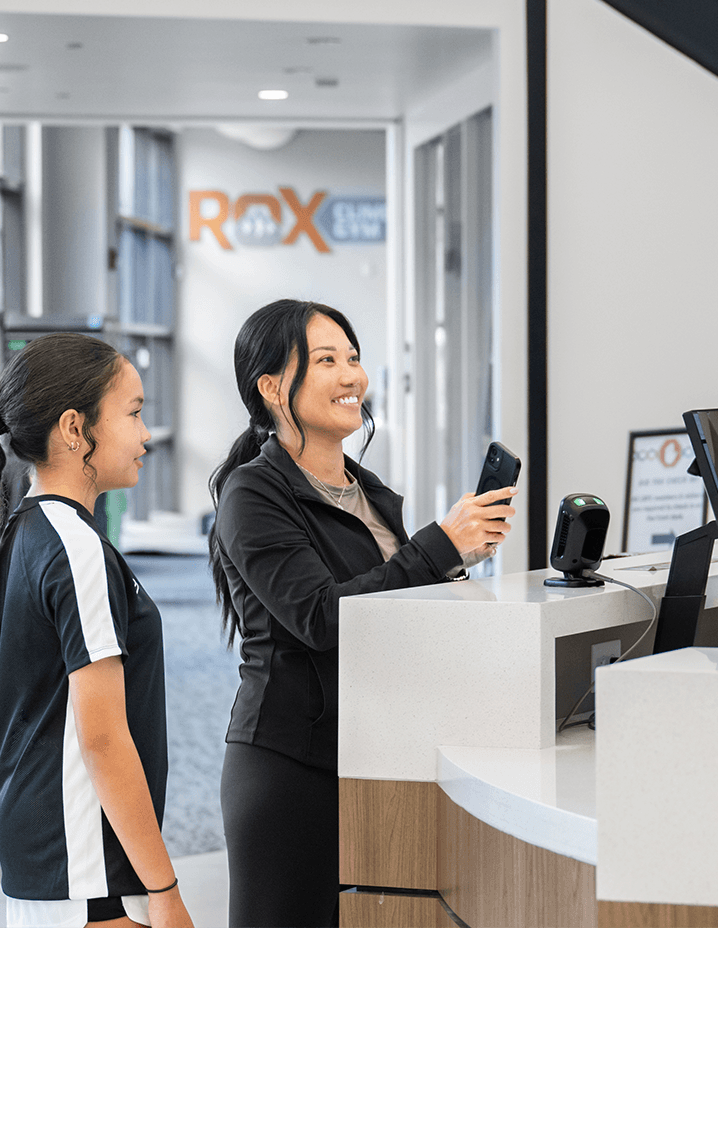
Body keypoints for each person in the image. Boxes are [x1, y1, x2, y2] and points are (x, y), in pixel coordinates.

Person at [210, 299, 515, 927]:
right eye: (327, 360)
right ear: (271, 388)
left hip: (372, 754)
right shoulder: (253, 492)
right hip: (291, 765)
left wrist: (455, 562)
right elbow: (321, 618)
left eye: (353, 357)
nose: (353, 376)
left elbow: (390, 607)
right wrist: (437, 546)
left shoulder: (368, 491)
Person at [0, 333, 192, 928]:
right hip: (84, 861)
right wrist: (164, 889)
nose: (145, 434)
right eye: (134, 413)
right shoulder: (75, 550)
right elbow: (103, 740)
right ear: (74, 428)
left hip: (46, 851)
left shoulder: (28, 528)